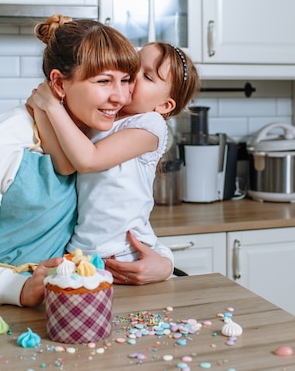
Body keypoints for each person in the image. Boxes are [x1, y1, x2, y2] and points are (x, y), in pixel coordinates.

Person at [0, 15, 171, 307]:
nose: (119, 97)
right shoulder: (0, 139)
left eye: (126, 80)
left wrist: (164, 261)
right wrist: (19, 287)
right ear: (59, 83)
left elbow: (117, 221)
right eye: (103, 81)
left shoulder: (99, 141)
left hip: (61, 309)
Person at [28, 42, 199, 284]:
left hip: (126, 253)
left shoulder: (151, 124)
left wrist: (52, 107)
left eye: (148, 76)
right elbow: (66, 165)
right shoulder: (104, 116)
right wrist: (40, 107)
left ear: (164, 105)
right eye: (134, 66)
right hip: (84, 251)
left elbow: (89, 160)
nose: (133, 76)